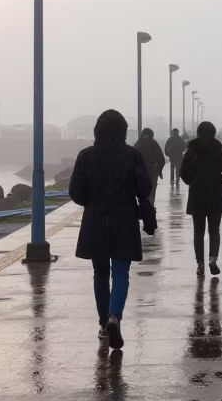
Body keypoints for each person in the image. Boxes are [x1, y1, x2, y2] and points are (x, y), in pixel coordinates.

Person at [68, 110, 153, 349]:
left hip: (95, 219)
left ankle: (104, 324)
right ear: (123, 131)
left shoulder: (86, 156)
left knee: (100, 274)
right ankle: (115, 315)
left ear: (98, 131)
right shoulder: (132, 155)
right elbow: (144, 187)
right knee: (121, 272)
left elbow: (76, 192)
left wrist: (93, 200)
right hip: (124, 217)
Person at [180, 121, 222, 276]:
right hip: (216, 193)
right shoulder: (220, 150)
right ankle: (213, 258)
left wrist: (193, 181)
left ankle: (200, 264)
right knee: (214, 229)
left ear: (198, 132)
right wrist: (219, 179)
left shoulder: (191, 151)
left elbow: (183, 173)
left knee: (198, 231)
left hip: (197, 194)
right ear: (213, 132)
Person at [135, 128, 166, 201]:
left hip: (139, 171)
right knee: (152, 192)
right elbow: (161, 159)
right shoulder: (153, 143)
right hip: (151, 170)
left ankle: (143, 207)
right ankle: (150, 207)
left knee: (141, 193)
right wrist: (158, 171)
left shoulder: (138, 143)